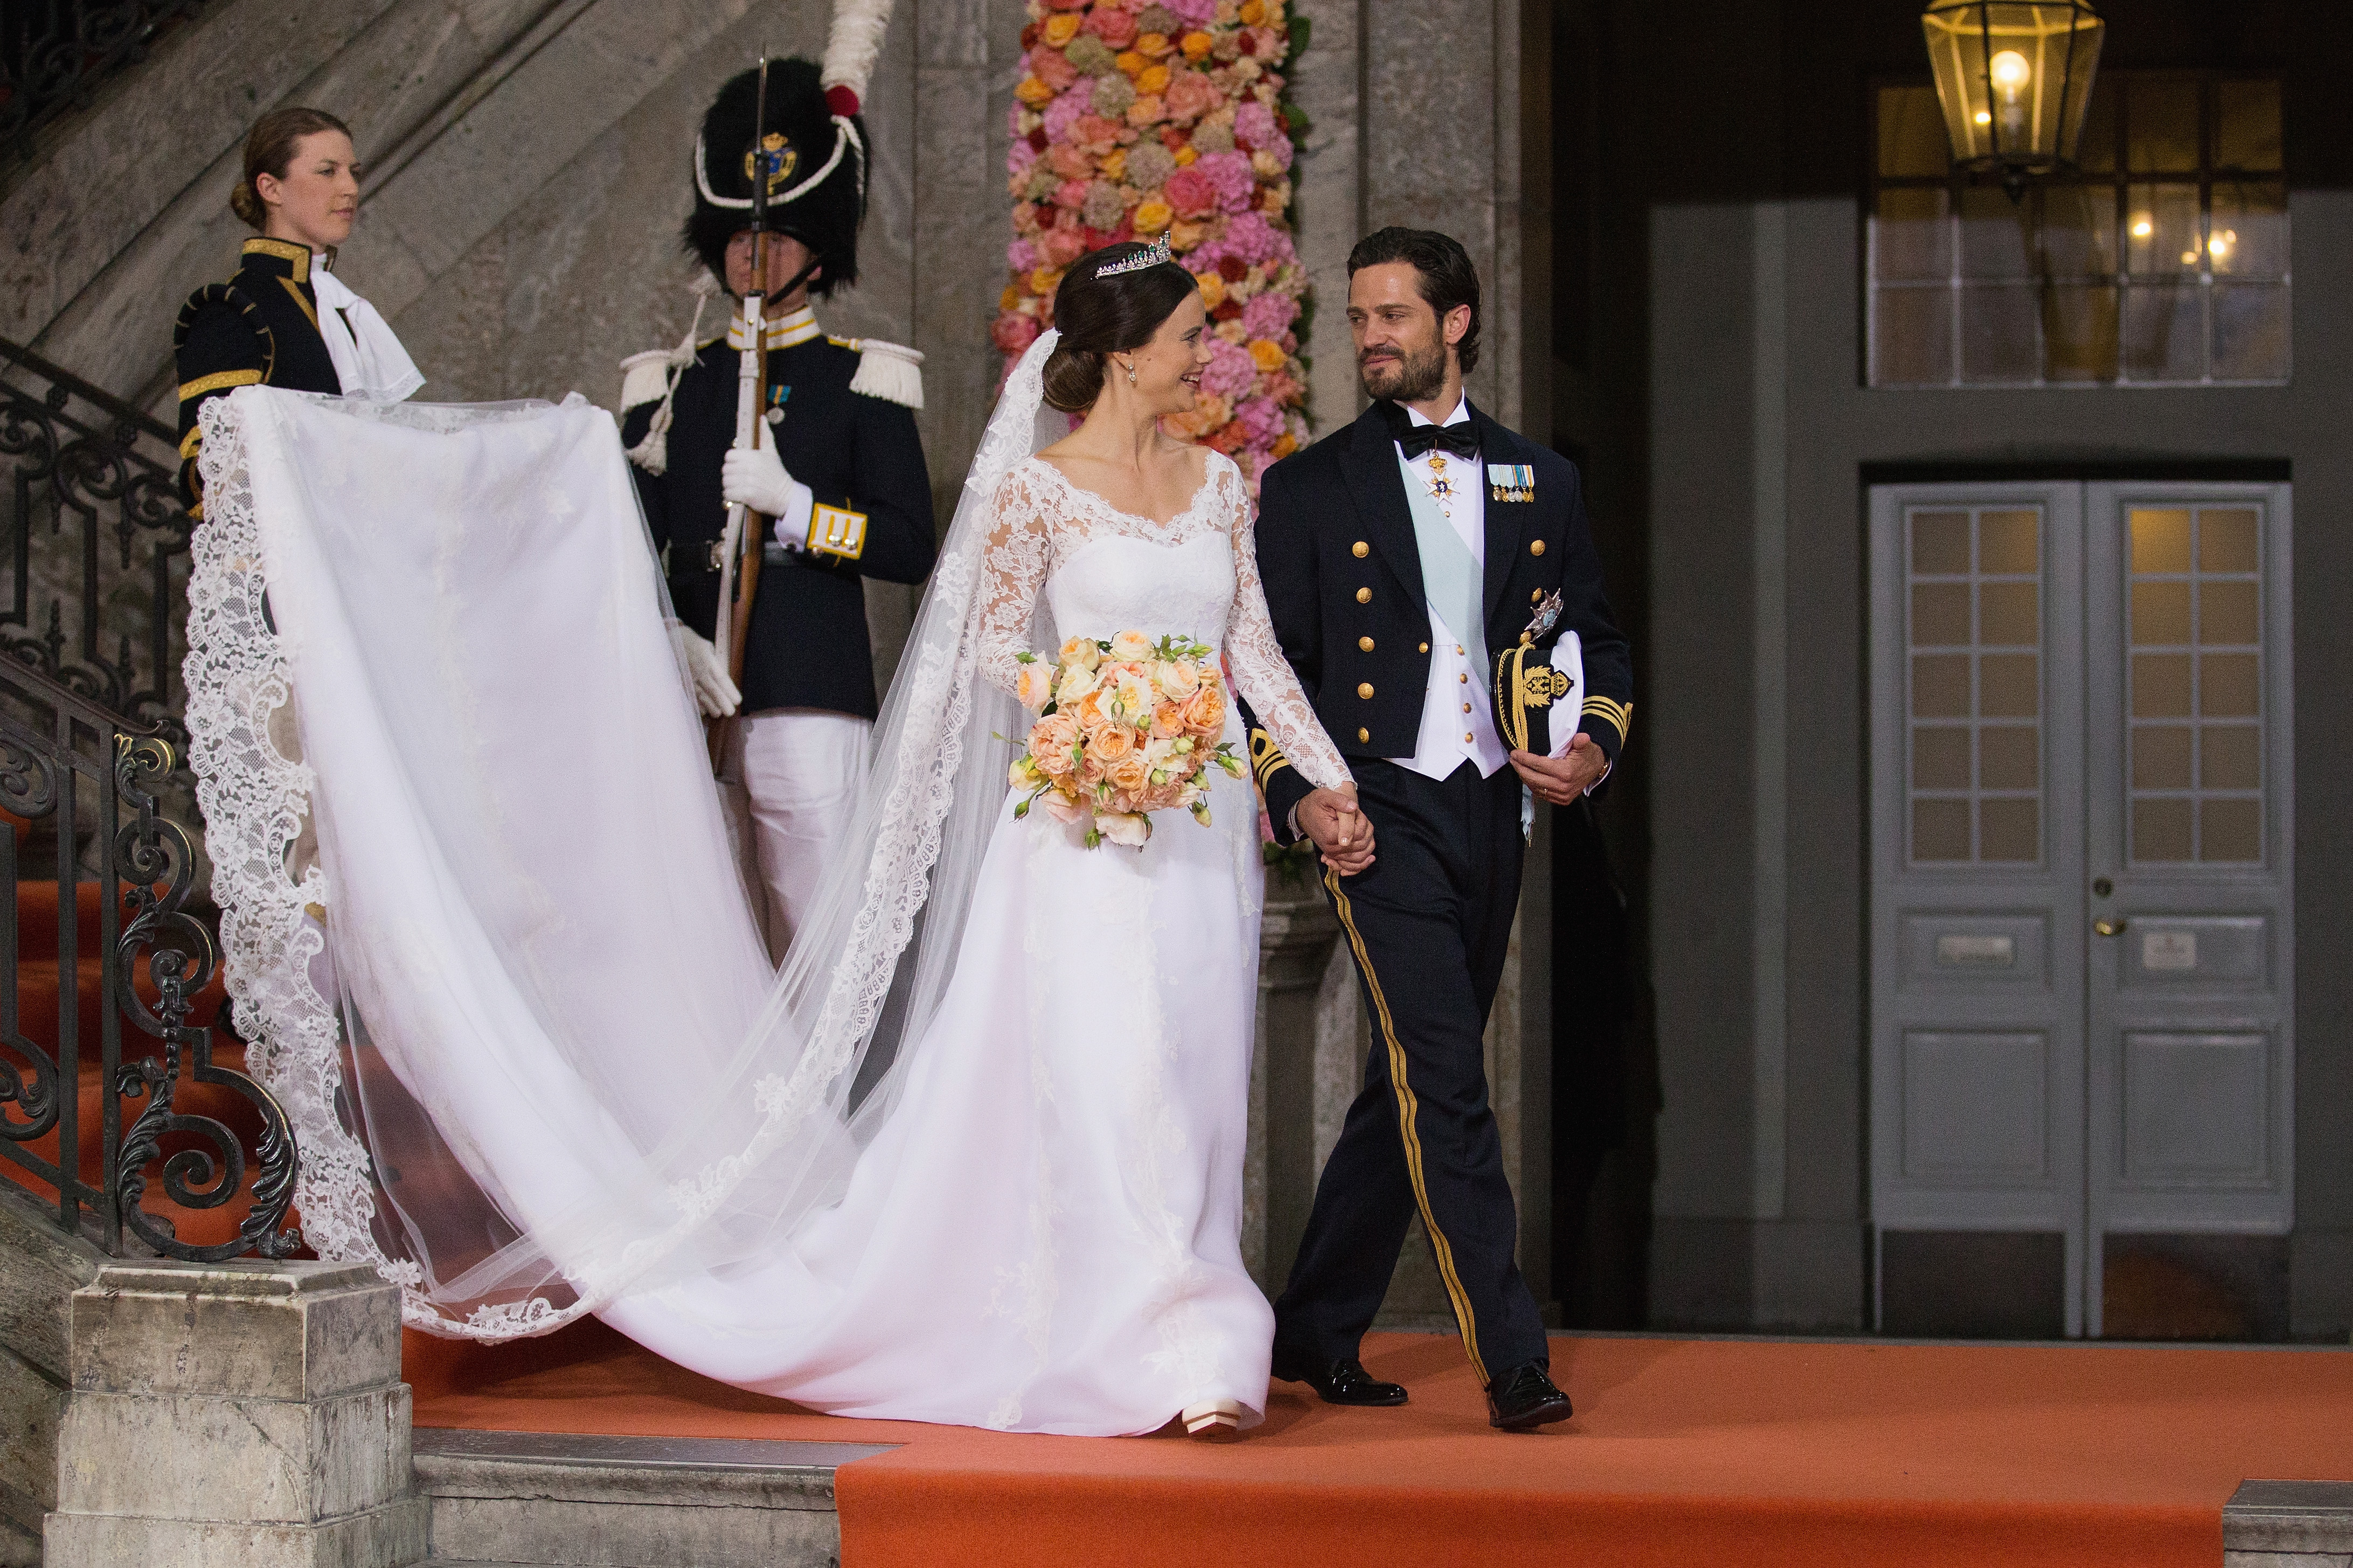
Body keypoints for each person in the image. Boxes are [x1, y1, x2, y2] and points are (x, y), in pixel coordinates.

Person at [184, 237, 1356, 1439]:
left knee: (1199, 1081)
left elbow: (1250, 648)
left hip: (1195, 820)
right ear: (1121, 353)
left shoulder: (1216, 485)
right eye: (1186, 335)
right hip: (1080, 823)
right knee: (1112, 1074)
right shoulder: (1035, 489)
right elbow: (988, 645)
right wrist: (1091, 706)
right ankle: (1172, 1339)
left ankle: (1190, 1304)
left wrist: (1322, 777)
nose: (1203, 352)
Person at [1241, 226, 1634, 1431]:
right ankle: (1510, 1352)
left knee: (1406, 1076)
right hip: (1377, 807)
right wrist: (1295, 794)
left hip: (1492, 806)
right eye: (1357, 317)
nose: (1369, 336)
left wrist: (1589, 746)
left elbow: (1597, 643)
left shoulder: (1539, 478)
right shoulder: (1306, 486)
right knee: (1448, 1074)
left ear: (1453, 323)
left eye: (1392, 315)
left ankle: (1312, 1327)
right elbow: (1265, 673)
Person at [620, 60, 936, 961]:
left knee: (817, 932)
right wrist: (667, 633)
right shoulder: (669, 385)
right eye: (737, 237)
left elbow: (909, 543)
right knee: (701, 933)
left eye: (782, 234)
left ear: (820, 250)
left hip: (807, 680)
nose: (753, 254)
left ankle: (822, 1104)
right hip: (686, 683)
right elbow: (627, 541)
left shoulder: (861, 381)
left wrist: (798, 509)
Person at [176, 106, 422, 517]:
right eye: (327, 172)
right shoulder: (232, 311)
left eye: (353, 172)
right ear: (271, 189)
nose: (350, 188)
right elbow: (206, 480)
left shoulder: (342, 309)